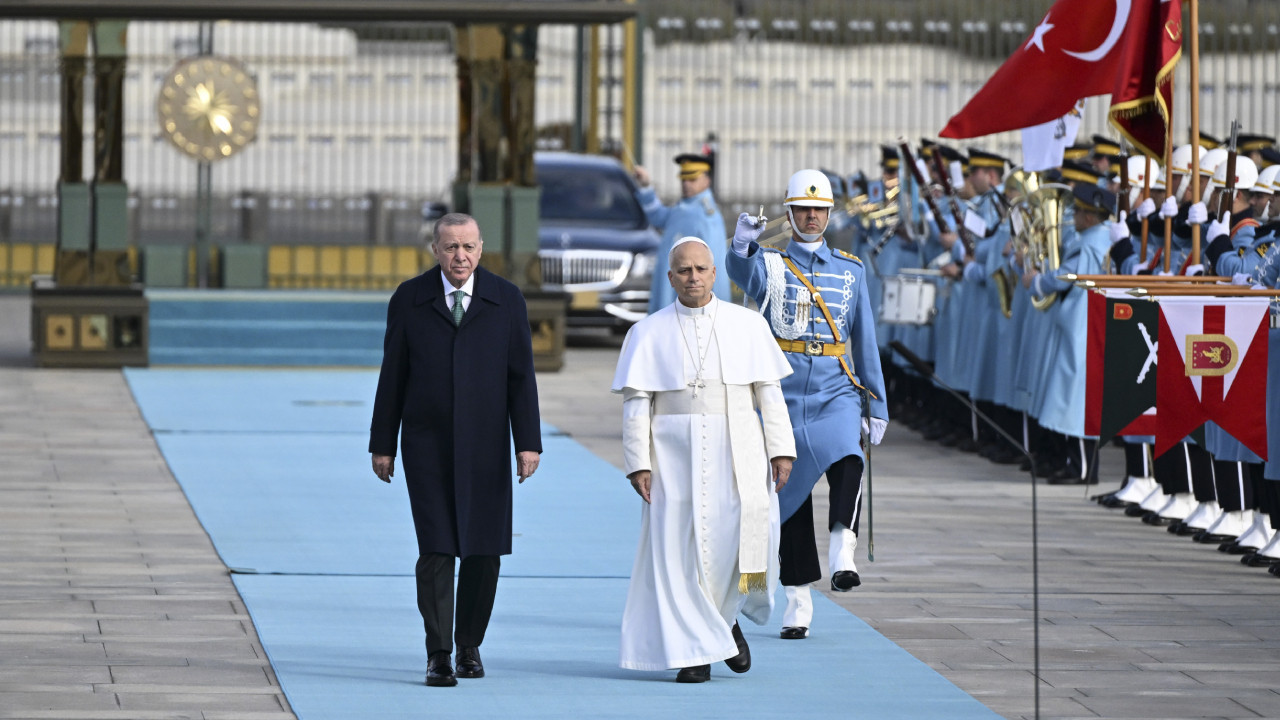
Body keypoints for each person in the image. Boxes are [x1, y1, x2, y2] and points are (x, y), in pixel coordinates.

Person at [368, 212, 542, 688]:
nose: (459, 256)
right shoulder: (410, 298)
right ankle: (439, 653)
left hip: (487, 446)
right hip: (426, 444)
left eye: (468, 247)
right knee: (437, 549)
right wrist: (382, 443)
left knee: (484, 551)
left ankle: (469, 645)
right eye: (450, 247)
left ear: (481, 249)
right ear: (435, 250)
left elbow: (521, 376)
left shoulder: (506, 299)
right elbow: (393, 374)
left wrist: (528, 443)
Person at [612, 237, 796, 683]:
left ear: (714, 274)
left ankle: (725, 621)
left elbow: (769, 393)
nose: (692, 277)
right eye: (683, 270)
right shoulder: (647, 332)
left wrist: (781, 450)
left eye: (700, 269)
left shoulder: (748, 325)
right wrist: (638, 462)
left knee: (738, 544)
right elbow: (637, 404)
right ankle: (694, 654)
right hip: (672, 456)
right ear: (670, 277)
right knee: (679, 552)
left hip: (739, 450)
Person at [727, 169, 889, 640]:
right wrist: (741, 245)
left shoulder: (851, 270)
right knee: (788, 492)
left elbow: (866, 339)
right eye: (803, 209)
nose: (811, 217)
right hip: (782, 392)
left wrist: (876, 403)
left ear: (829, 213)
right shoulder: (772, 264)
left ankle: (843, 551)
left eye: (819, 210)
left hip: (836, 389)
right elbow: (743, 275)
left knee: (849, 457)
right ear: (790, 212)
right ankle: (798, 599)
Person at [633, 153, 730, 311]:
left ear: (707, 181)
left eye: (692, 179)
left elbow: (713, 265)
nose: (686, 184)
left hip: (686, 301)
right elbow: (659, 217)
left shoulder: (706, 215)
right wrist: (646, 186)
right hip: (673, 291)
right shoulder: (685, 206)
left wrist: (714, 309)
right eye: (683, 179)